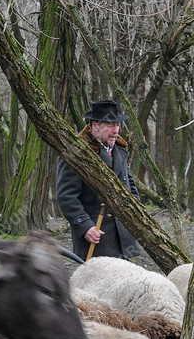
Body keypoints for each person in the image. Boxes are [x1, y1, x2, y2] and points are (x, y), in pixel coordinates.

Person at [56, 100, 141, 260]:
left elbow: (128, 183)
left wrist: (135, 212)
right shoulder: (77, 153)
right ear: (95, 125)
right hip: (97, 236)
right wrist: (86, 227)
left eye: (118, 124)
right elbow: (66, 197)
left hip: (124, 235)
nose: (116, 130)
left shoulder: (120, 149)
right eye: (110, 125)